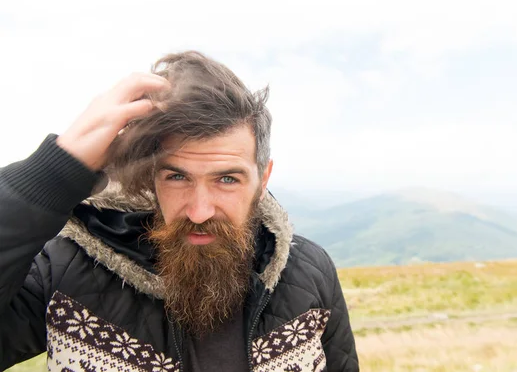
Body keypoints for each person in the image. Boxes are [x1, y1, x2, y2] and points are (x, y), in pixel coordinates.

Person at [0, 51, 358, 372]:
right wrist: (51, 174)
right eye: (176, 176)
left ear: (263, 178)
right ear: (150, 178)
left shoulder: (310, 271)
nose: (200, 211)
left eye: (227, 179)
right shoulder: (66, 270)